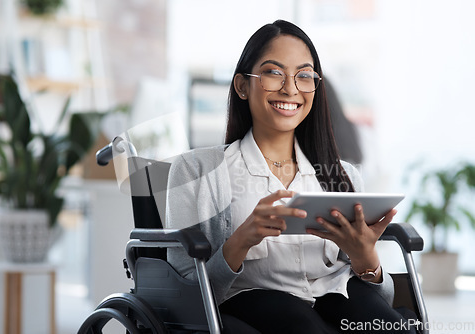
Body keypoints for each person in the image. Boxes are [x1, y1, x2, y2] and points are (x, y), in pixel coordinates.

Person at [166, 20, 414, 333]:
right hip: (249, 302)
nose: (291, 88)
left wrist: (366, 260)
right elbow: (179, 297)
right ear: (242, 85)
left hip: (336, 296)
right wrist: (240, 242)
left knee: (393, 327)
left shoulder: (342, 175)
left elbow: (379, 296)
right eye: (274, 72)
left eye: (304, 76)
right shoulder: (196, 172)